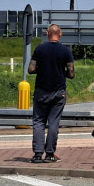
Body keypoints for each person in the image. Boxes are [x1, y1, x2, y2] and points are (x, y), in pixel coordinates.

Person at [27, 24, 75, 163]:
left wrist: (41, 70)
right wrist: (61, 71)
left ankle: (37, 154)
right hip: (58, 93)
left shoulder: (40, 49)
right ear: (60, 34)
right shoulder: (65, 51)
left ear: (48, 33)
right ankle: (49, 154)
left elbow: (31, 69)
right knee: (53, 123)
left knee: (38, 122)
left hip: (41, 91)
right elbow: (71, 74)